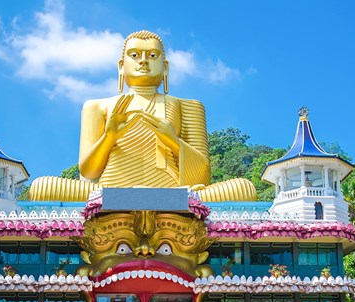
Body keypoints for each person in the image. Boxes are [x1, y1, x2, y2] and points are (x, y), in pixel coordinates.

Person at [28, 30, 256, 203]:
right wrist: (109, 136)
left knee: (244, 189)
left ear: (165, 68)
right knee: (41, 187)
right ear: (121, 66)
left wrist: (174, 142)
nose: (143, 61)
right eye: (135, 55)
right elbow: (88, 171)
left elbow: (202, 177)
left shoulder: (188, 106)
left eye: (153, 55)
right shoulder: (97, 106)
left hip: (174, 194)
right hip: (109, 192)